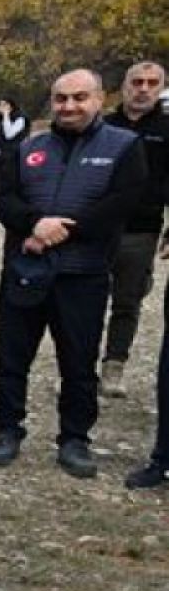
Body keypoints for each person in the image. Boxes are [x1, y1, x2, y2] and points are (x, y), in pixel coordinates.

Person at [0, 69, 148, 478]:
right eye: (60, 99)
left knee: (78, 361)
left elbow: (122, 203)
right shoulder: (29, 147)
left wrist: (63, 231)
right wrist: (35, 223)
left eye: (79, 97)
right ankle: (7, 427)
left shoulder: (124, 146)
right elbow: (4, 199)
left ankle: (74, 438)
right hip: (26, 270)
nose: (69, 106)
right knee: (11, 356)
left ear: (99, 99)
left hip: (83, 274)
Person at [99, 62, 167, 398]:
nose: (143, 89)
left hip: (141, 229)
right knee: (87, 295)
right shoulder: (103, 126)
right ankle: (81, 362)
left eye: (151, 83)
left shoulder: (166, 129)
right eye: (136, 82)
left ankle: (114, 364)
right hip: (98, 227)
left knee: (127, 300)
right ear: (124, 86)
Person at [0, 97, 27, 164]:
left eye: (4, 104)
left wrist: (6, 115)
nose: (1, 107)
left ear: (11, 106)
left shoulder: (19, 118)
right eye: (0, 104)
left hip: (11, 156)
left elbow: (9, 135)